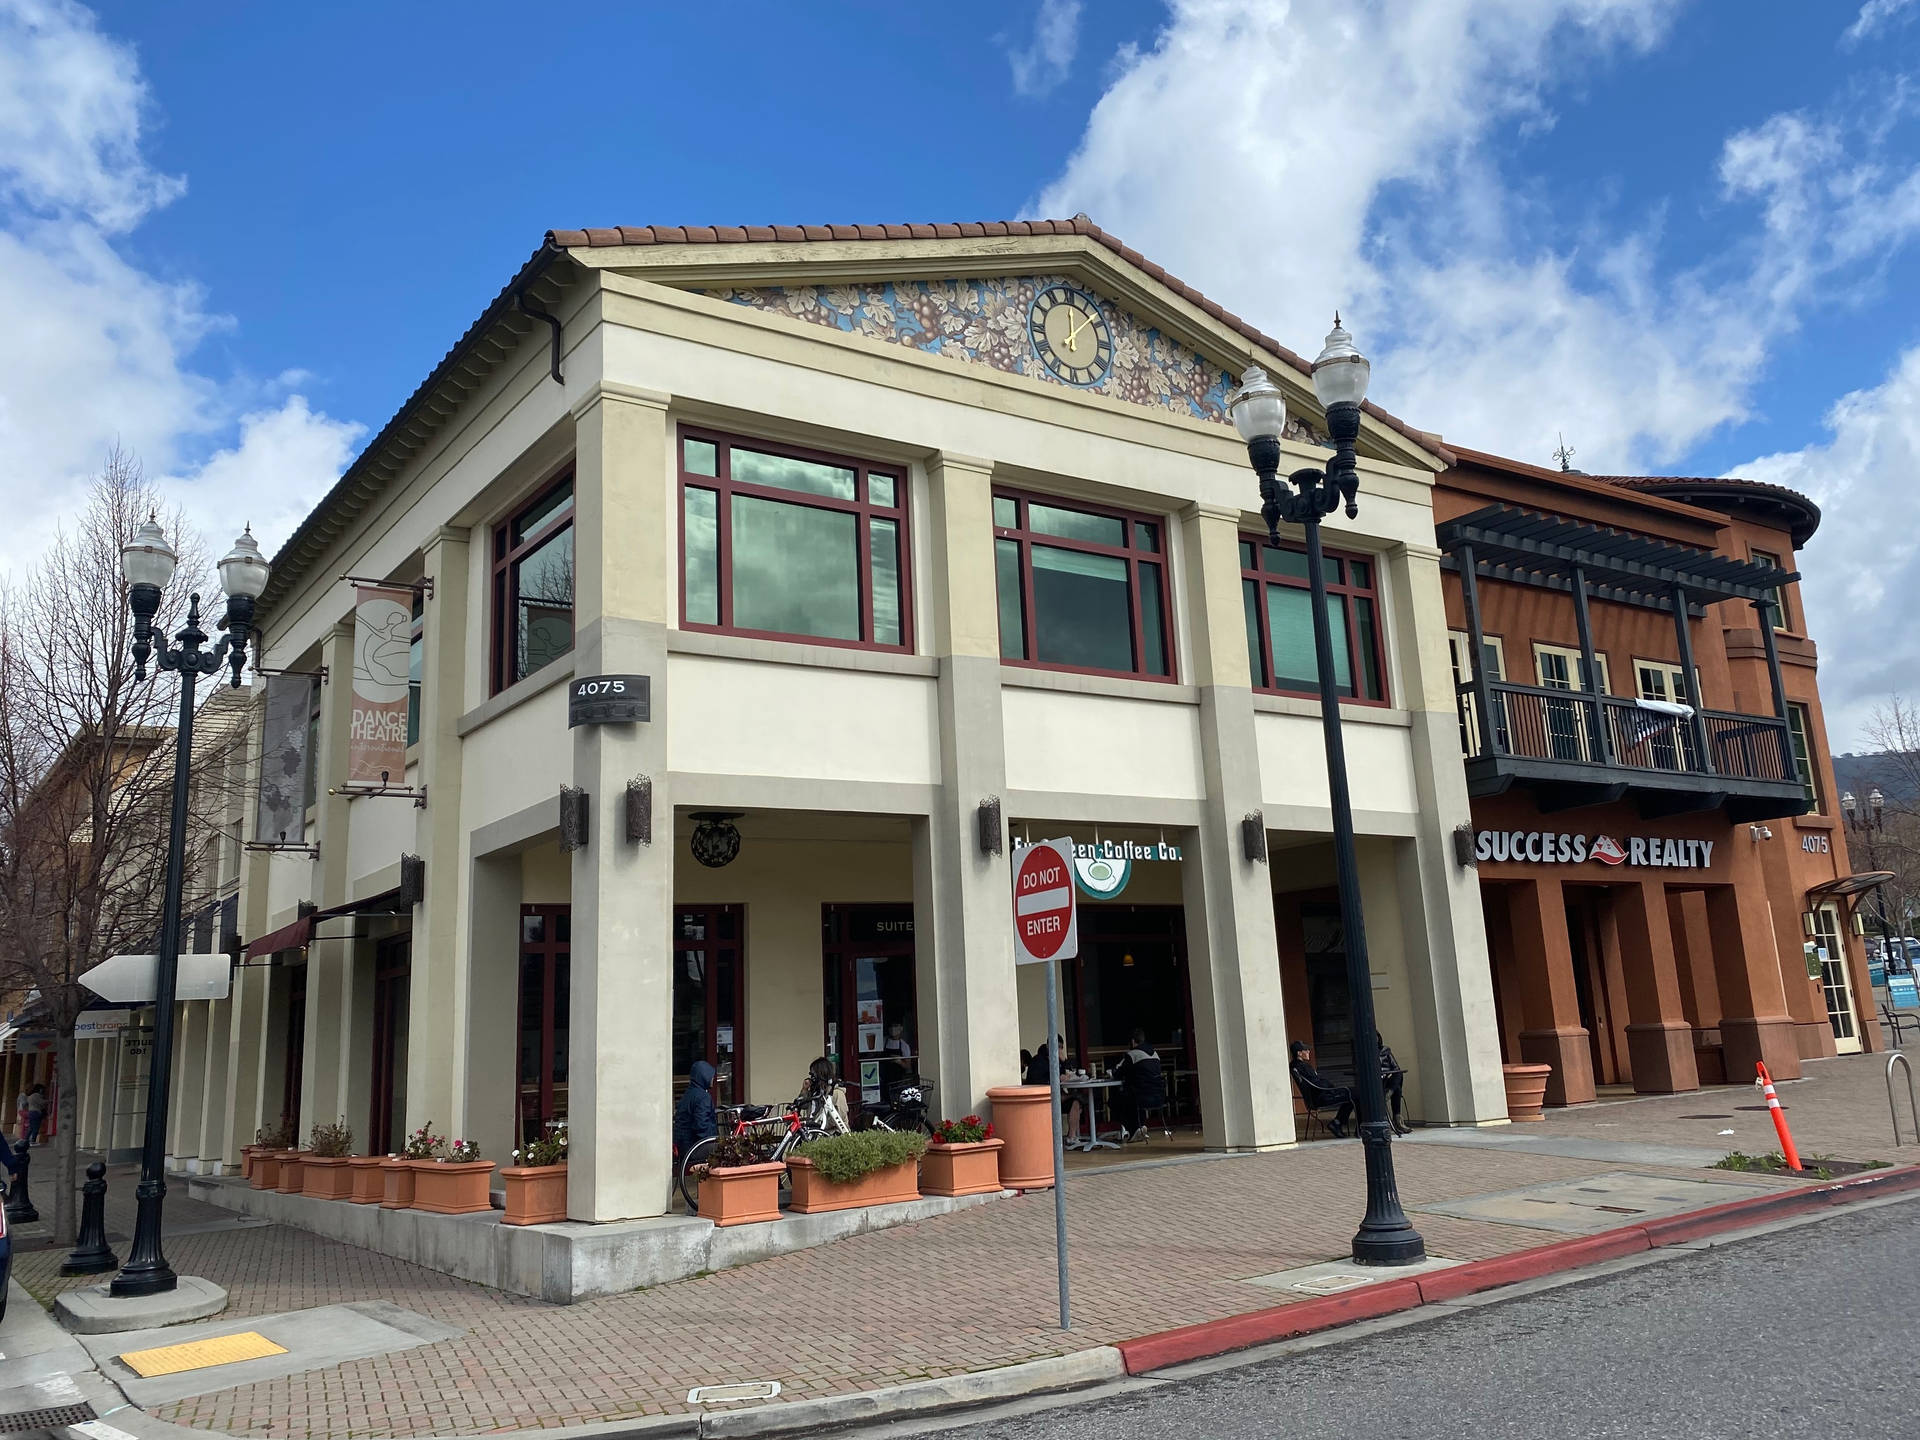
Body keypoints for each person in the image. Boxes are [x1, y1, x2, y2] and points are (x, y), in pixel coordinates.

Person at [1289, 1040, 1354, 1138]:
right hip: (1321, 1097)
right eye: (1306, 1050)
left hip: (1317, 1097)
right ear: (1299, 1053)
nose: (1308, 1052)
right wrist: (1332, 1088)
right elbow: (1317, 1084)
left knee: (1353, 1095)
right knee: (1355, 1095)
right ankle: (1341, 1124)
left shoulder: (1296, 1066)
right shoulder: (1303, 1067)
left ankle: (1337, 1123)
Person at [1111, 1029, 1166, 1140]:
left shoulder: (1132, 1054)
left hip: (1141, 1097)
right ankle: (1140, 1127)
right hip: (1158, 1097)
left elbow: (1118, 1073)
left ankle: (1133, 1129)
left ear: (1132, 1041)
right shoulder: (1155, 1054)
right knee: (1131, 1095)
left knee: (1114, 1101)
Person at [1023, 1038, 1082, 1142]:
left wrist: (1064, 1062)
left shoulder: (1057, 1060)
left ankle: (1072, 1137)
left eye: (1061, 1048)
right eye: (1057, 1047)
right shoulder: (1038, 1061)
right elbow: (1037, 1081)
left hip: (1056, 1096)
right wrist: (1056, 1079)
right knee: (1075, 1096)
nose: (1059, 1050)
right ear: (1048, 1046)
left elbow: (1066, 1072)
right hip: (1042, 1097)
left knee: (1076, 1102)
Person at [672, 1060, 718, 1170]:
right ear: (704, 1077)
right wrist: (714, 1139)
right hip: (694, 1147)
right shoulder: (703, 1097)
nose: (713, 1079)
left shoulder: (689, 1094)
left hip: (683, 1146)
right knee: (727, 1148)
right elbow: (701, 1125)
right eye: (711, 1076)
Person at [1377, 1031, 1411, 1136]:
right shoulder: (1366, 1052)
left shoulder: (1385, 1050)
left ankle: (1388, 1093)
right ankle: (1398, 1121)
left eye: (1376, 1037)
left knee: (1398, 1073)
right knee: (1398, 1090)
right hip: (1377, 1082)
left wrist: (1389, 1074)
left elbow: (1396, 1067)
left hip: (1387, 1081)